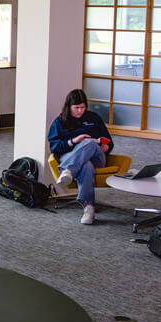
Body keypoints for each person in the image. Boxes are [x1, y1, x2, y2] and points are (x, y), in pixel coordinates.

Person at [46, 88, 113, 225]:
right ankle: (88, 207)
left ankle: (68, 170)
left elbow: (109, 141)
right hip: (72, 156)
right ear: (69, 106)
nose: (80, 111)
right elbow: (54, 148)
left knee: (88, 142)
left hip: (97, 157)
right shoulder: (60, 122)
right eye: (76, 107)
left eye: (83, 107)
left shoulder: (94, 118)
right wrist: (74, 141)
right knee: (86, 166)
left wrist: (107, 146)